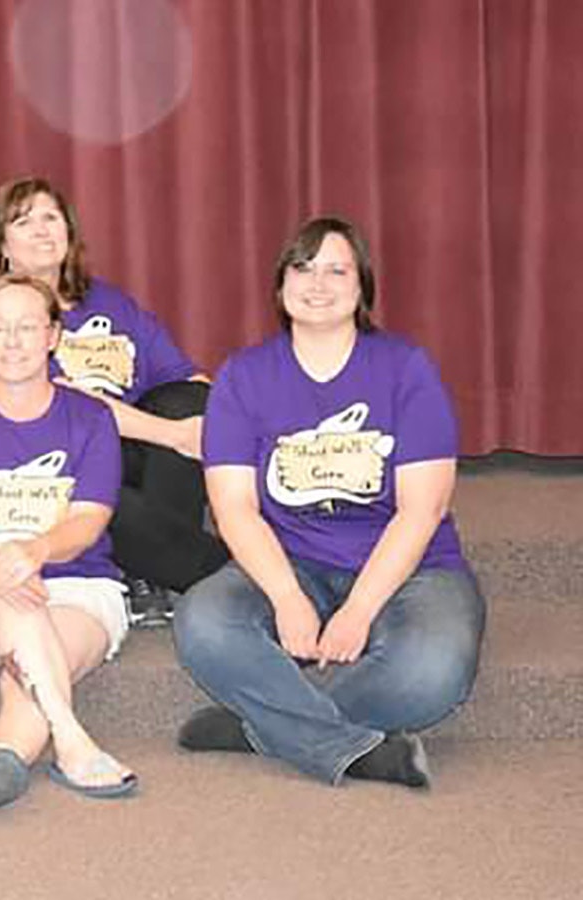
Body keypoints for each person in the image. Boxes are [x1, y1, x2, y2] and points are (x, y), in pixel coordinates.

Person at [173, 216, 485, 790]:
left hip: (410, 567)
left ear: (362, 287)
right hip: (290, 560)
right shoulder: (244, 376)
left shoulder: (406, 368)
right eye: (303, 267)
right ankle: (355, 750)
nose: (318, 283)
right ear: (280, 286)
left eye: (336, 269)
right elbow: (234, 507)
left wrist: (361, 608)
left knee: (434, 672)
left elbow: (422, 509)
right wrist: (288, 597)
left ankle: (262, 727)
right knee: (203, 621)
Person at [0, 178, 227, 621]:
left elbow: (185, 376)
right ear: (2, 244)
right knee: (102, 492)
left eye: (51, 218)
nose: (43, 230)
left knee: (191, 401)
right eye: (24, 222)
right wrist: (174, 435)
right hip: (57, 460)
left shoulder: (111, 303)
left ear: (69, 232)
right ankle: (228, 574)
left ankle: (151, 575)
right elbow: (59, 401)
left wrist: (216, 423)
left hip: (138, 451)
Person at [0, 274, 136, 808]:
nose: (12, 341)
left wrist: (35, 552)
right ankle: (70, 739)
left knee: (35, 654)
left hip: (79, 586)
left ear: (53, 336)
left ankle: (5, 757)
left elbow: (88, 522)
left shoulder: (91, 418)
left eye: (26, 327)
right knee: (8, 587)